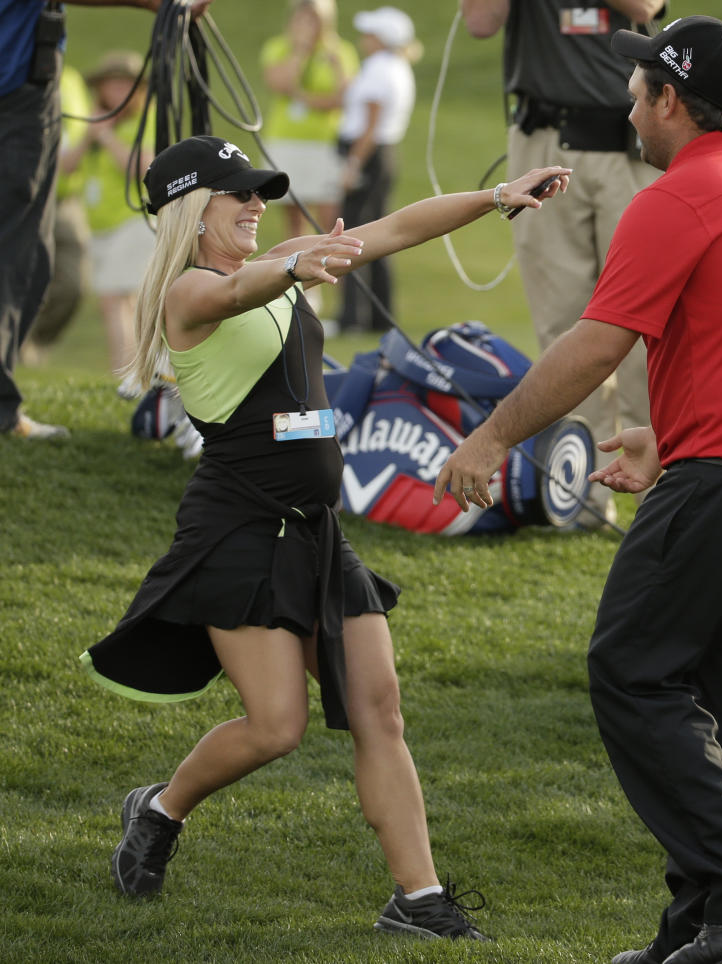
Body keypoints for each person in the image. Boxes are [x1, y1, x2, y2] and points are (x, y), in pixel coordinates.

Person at [79, 133, 569, 935]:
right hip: (237, 526)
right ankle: (160, 812)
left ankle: (418, 901)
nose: (256, 205)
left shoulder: (281, 263)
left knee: (381, 708)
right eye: (239, 194)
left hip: (314, 527)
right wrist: (289, 270)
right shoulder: (188, 295)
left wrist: (494, 197)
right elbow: (233, 297)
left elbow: (398, 229)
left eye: (260, 193)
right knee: (276, 726)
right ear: (191, 213)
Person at [433, 17, 722, 964]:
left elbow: (594, 343)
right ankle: (702, 928)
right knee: (720, 713)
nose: (626, 99)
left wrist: (493, 436)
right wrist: (669, 439)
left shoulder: (679, 199)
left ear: (670, 100)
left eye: (638, 87)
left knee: (630, 672)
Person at [459, 0, 666, 529]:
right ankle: (585, 496)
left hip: (628, 146)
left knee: (648, 332)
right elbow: (481, 23)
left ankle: (663, 492)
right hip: (544, 137)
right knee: (563, 327)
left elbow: (644, 5)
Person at [0, 0, 209, 441]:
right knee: (18, 257)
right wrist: (164, 3)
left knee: (30, 261)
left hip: (22, 87)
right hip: (14, 89)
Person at [59, 49, 155, 393]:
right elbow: (66, 166)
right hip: (100, 226)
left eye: (124, 84)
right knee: (120, 301)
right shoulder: (91, 122)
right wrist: (89, 135)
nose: (117, 91)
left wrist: (107, 137)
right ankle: (134, 373)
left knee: (115, 299)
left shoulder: (142, 121)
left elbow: (144, 169)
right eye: (111, 84)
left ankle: (127, 376)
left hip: (131, 220)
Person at [335, 5, 420, 333]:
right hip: (382, 157)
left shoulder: (379, 68)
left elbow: (369, 126)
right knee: (379, 234)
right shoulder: (395, 67)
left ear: (382, 39)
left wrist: (353, 165)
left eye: (370, 34)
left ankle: (352, 318)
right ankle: (378, 318)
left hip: (367, 156)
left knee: (354, 235)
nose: (364, 39)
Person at [260, 0, 359, 238]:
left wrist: (304, 98)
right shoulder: (278, 47)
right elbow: (280, 84)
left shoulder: (340, 51)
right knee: (295, 223)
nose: (307, 25)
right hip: (286, 140)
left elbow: (346, 98)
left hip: (325, 142)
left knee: (330, 221)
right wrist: (300, 52)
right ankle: (296, 272)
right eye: (301, 19)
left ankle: (335, 273)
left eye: (313, 19)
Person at [22, 63, 92, 365]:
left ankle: (31, 342)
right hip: (20, 197)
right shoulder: (13, 71)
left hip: (64, 197)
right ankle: (15, 346)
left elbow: (76, 136)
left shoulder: (70, 78)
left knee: (73, 282)